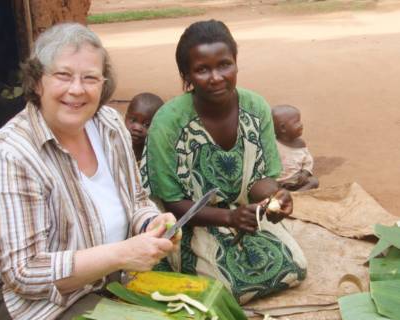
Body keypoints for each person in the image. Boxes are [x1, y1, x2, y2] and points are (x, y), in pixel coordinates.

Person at [0, 23, 178, 320]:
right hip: (38, 308)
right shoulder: (11, 155)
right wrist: (122, 253)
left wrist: (151, 222)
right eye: (63, 75)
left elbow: (135, 199)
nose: (77, 90)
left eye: (90, 78)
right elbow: (24, 273)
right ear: (38, 81)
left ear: (103, 84)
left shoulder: (109, 125)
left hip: (106, 284)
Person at [141, 19, 307, 304]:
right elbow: (171, 202)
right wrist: (228, 218)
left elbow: (260, 180)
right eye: (202, 69)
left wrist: (274, 198)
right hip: (183, 222)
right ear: (187, 75)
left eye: (224, 64)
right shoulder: (169, 122)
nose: (216, 77)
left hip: (240, 213)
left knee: (295, 268)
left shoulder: (255, 108)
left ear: (236, 64)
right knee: (226, 290)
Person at [272, 104, 319, 191]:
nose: (301, 124)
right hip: (277, 183)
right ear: (283, 128)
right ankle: (285, 195)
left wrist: (305, 173)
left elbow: (308, 161)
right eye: (297, 122)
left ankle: (296, 195)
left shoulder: (300, 144)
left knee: (314, 182)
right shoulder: (273, 144)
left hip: (295, 181)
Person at [124, 92, 163, 162]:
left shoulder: (156, 154)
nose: (137, 128)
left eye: (147, 124)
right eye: (133, 120)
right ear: (125, 117)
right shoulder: (116, 145)